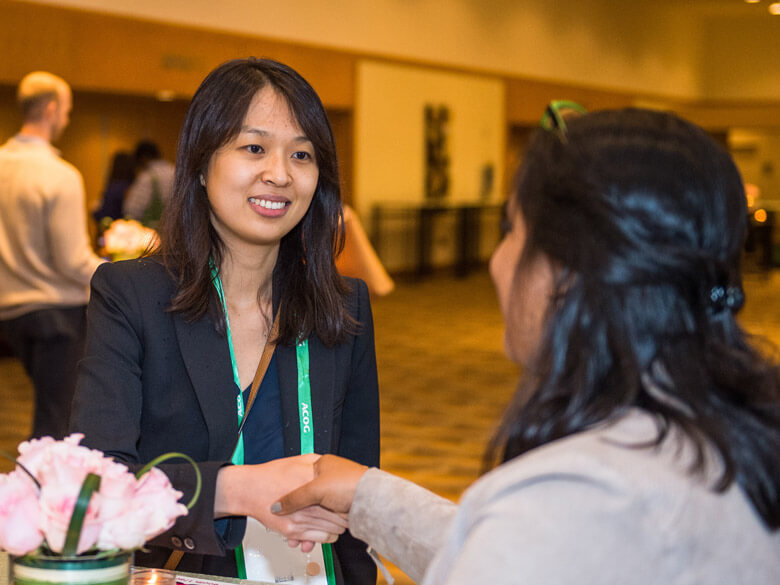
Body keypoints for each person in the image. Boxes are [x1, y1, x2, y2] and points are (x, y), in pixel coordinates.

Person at [273, 107, 780, 584]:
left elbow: (529, 545)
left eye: (510, 230)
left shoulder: (575, 495)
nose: (497, 261)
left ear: (564, 271)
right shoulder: (735, 431)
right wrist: (367, 498)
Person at [69, 58, 379, 584]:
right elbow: (95, 488)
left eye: (301, 154)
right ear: (200, 161)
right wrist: (235, 490)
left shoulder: (342, 307)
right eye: (253, 147)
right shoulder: (133, 297)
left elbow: (357, 495)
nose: (279, 174)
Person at [0, 71, 105, 440]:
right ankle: (44, 496)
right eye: (66, 111)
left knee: (49, 412)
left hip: (10, 314)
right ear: (50, 109)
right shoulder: (60, 175)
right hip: (57, 316)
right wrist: (116, 275)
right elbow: (73, 261)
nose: (66, 119)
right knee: (58, 423)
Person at [121, 139, 175, 226]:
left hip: (151, 233)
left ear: (143, 158)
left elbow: (131, 210)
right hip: (174, 229)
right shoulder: (175, 171)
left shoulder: (147, 177)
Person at [92, 150, 135, 227]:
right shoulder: (134, 186)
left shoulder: (114, 188)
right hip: (132, 230)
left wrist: (94, 211)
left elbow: (106, 215)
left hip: (114, 231)